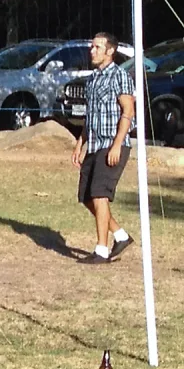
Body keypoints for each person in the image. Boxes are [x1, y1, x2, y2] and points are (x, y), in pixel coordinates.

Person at [72, 32, 135, 264]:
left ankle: (101, 250)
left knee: (99, 195)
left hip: (113, 144)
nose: (92, 50)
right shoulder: (92, 79)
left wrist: (117, 144)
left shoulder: (120, 76)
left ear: (110, 51)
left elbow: (128, 112)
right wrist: (80, 144)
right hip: (95, 145)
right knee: (87, 197)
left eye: (97, 47)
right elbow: (90, 116)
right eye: (91, 46)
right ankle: (120, 235)